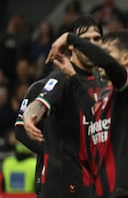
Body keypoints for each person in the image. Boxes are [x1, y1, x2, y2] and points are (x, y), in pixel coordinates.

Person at [45, 30, 128, 198]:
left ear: (125, 59)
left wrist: (70, 38)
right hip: (103, 191)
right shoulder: (105, 95)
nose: (99, 59)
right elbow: (90, 113)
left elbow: (108, 64)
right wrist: (73, 77)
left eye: (106, 52)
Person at [22, 15, 104, 198]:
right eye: (85, 40)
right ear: (72, 45)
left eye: (96, 38)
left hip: (94, 181)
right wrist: (30, 115)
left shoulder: (103, 82)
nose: (91, 44)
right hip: (65, 184)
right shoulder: (61, 78)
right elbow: (40, 104)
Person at [14, 78, 47, 197]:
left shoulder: (93, 84)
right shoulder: (39, 87)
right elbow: (20, 131)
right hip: (47, 170)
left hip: (83, 171)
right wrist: (50, 151)